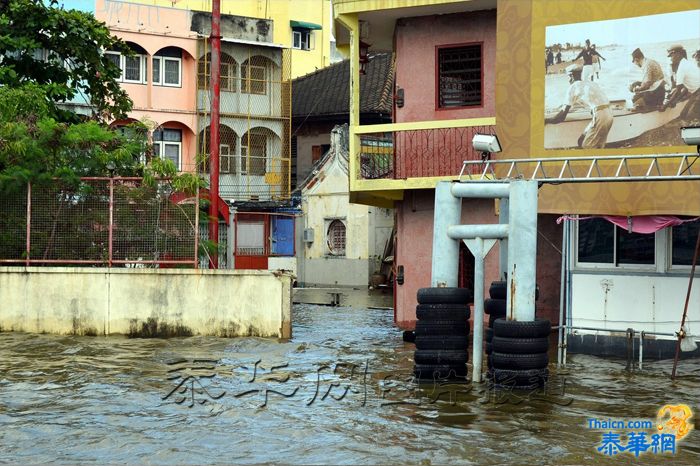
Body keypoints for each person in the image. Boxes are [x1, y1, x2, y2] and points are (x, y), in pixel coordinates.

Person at [545, 64, 613, 149]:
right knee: (582, 140)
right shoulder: (591, 84)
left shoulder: (573, 86)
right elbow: (582, 103)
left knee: (587, 146)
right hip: (609, 113)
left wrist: (546, 120)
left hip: (600, 116)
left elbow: (561, 117)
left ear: (571, 76)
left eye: (568, 77)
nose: (569, 80)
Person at [664, 44, 700, 110]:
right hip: (695, 92)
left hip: (697, 92)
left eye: (671, 56)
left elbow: (678, 89)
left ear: (677, 55)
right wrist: (675, 100)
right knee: (684, 115)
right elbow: (686, 87)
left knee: (688, 117)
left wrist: (666, 105)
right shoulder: (686, 63)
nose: (671, 59)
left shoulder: (682, 67)